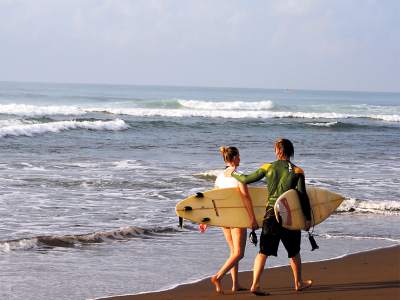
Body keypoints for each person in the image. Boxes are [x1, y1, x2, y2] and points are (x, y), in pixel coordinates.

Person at [227, 138, 313, 295]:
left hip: (270, 214)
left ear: (278, 151)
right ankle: (298, 283)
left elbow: (246, 179)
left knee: (263, 252)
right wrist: (307, 219)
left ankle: (255, 284)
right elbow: (302, 196)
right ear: (290, 151)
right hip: (289, 216)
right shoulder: (297, 171)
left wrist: (234, 173)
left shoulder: (268, 167)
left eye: (275, 149)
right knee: (294, 252)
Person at [210, 146, 259, 294]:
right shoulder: (238, 175)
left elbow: (214, 198)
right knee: (239, 253)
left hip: (224, 217)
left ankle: (235, 284)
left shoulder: (220, 175)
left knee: (233, 252)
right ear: (234, 158)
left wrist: (208, 219)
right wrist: (252, 219)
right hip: (236, 217)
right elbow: (245, 197)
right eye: (238, 155)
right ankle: (217, 277)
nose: (240, 158)